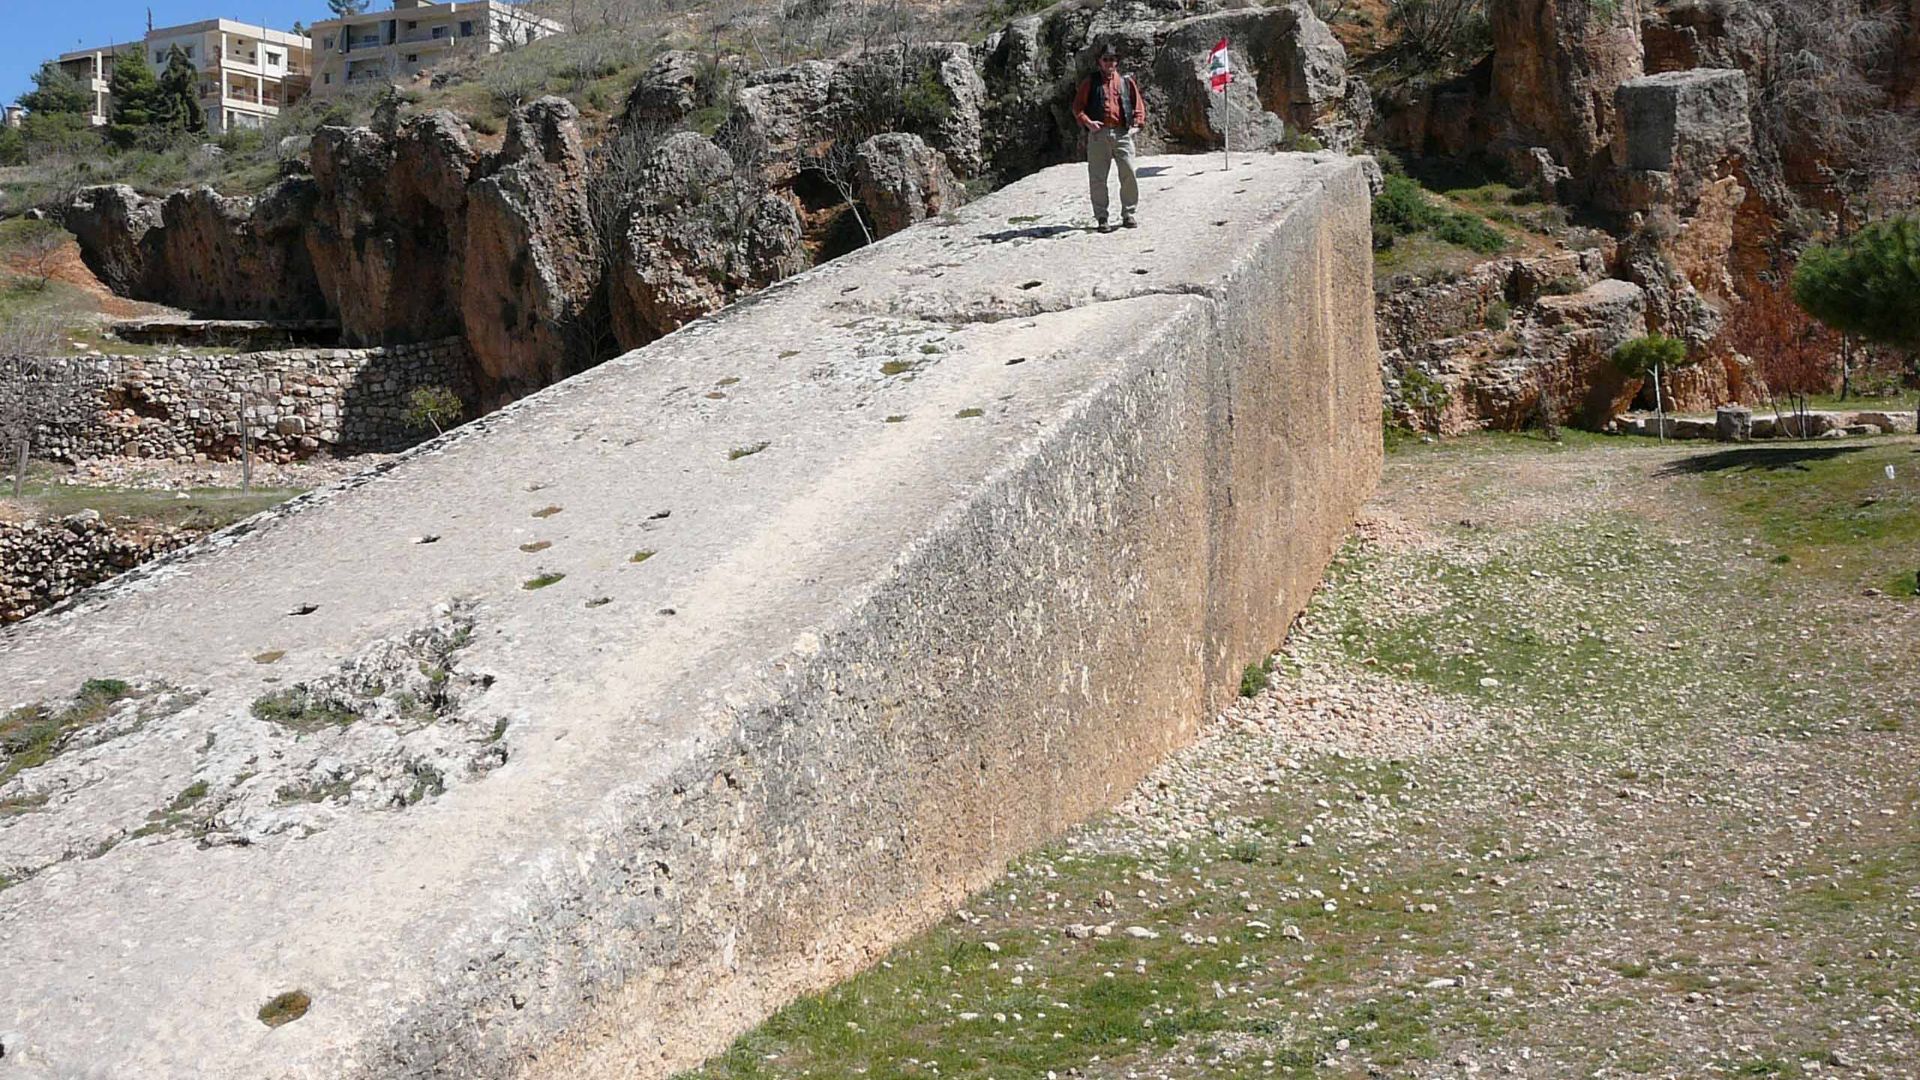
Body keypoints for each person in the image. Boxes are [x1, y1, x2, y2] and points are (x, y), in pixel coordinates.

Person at [1072, 43, 1147, 233]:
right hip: (1099, 134)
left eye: (1112, 59)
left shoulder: (1125, 82)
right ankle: (1102, 217)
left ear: (1117, 62)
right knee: (1098, 177)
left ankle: (1128, 213)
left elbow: (1138, 104)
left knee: (1129, 173)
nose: (1109, 63)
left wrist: (1138, 123)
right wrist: (1089, 123)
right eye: (1105, 59)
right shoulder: (1090, 82)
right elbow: (1078, 108)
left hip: (1122, 133)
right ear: (1099, 62)